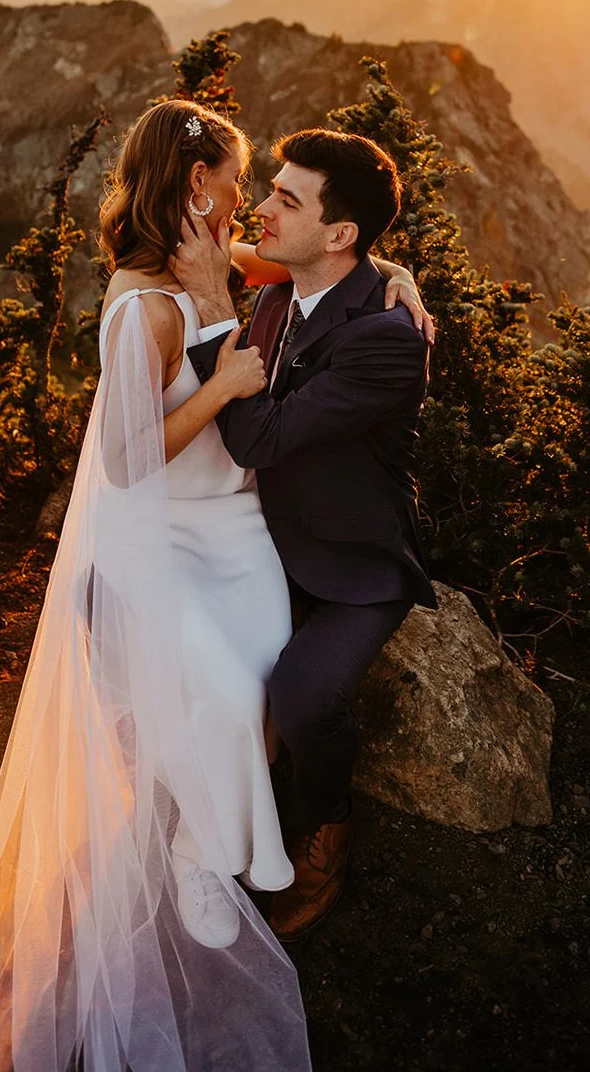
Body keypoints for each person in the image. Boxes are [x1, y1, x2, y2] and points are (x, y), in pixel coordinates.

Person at [0, 100, 426, 1072]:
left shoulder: (233, 268)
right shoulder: (149, 302)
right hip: (173, 526)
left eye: (277, 192)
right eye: (244, 178)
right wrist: (219, 374)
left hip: (249, 531)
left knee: (262, 686)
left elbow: (318, 274)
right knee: (224, 691)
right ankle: (203, 859)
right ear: (194, 184)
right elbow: (136, 454)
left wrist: (397, 271)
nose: (256, 201)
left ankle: (234, 843)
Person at [175, 127, 436, 943]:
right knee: (179, 644)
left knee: (300, 695)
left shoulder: (389, 342)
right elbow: (197, 244)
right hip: (264, 539)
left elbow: (254, 438)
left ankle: (326, 826)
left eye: (286, 199)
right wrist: (395, 266)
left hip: (354, 566)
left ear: (339, 233)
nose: (261, 206)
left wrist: (219, 316)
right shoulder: (288, 281)